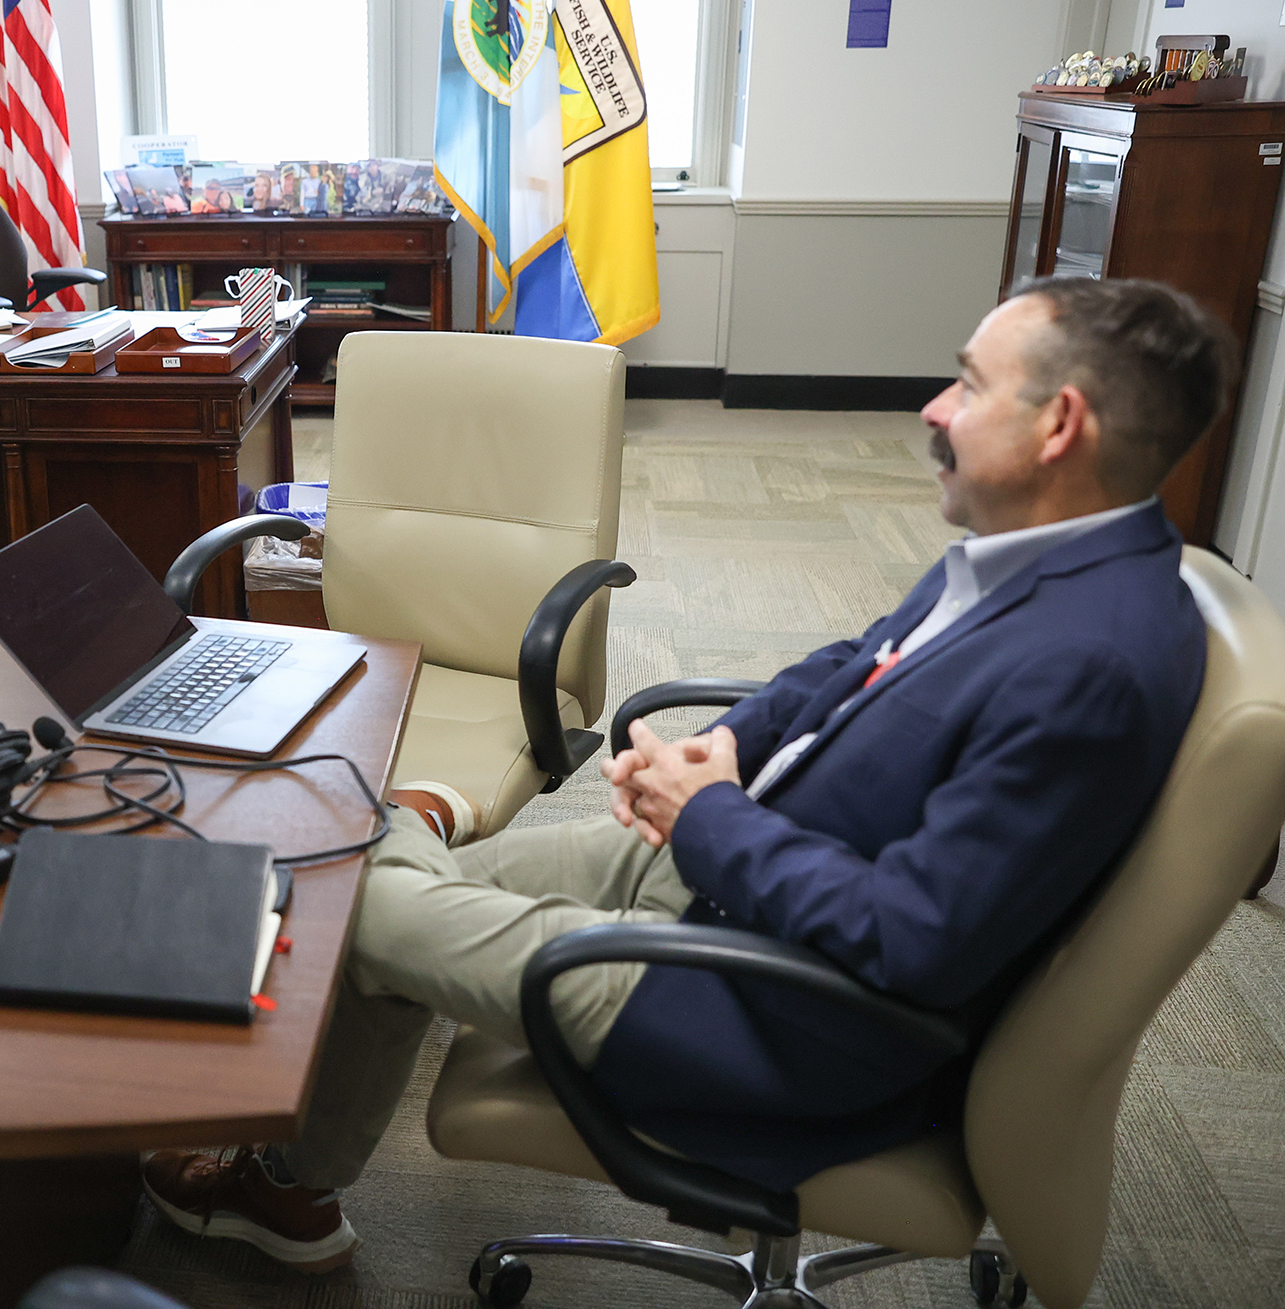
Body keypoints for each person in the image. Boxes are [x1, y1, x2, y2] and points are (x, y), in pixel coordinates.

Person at [140, 277, 1236, 1273]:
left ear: (1059, 425)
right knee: (358, 828)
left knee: (357, 893)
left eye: (966, 384)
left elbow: (910, 942)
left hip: (772, 1016)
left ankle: (279, 1177)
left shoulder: (1083, 664)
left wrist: (706, 812)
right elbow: (849, 664)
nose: (933, 410)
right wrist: (738, 745)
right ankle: (297, 1153)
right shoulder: (1047, 552)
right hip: (740, 884)